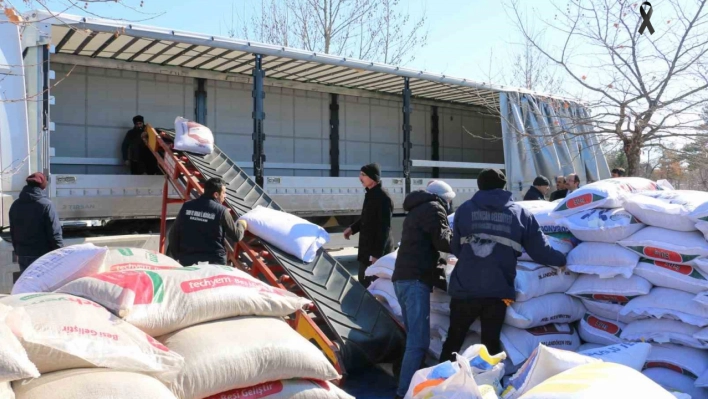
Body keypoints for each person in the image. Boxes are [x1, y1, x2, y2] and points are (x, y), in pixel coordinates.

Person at [440, 168, 567, 360]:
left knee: (454, 339)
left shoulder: (464, 210)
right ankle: (487, 384)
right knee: (490, 343)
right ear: (503, 186)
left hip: (464, 287)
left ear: (479, 186)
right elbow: (540, 251)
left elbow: (456, 248)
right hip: (498, 290)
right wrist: (562, 260)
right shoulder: (521, 214)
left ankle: (441, 383)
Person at [391, 181, 454, 399]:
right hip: (415, 280)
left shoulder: (417, 209)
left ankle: (409, 384)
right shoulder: (434, 209)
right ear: (444, 198)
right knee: (419, 342)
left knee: (413, 338)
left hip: (403, 278)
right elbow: (443, 241)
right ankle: (404, 392)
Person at [168, 177, 247, 266]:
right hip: (214, 263)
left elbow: (173, 234)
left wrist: (178, 256)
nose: (225, 196)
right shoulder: (222, 211)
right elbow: (236, 236)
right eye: (224, 193)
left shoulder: (187, 206)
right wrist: (242, 224)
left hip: (189, 262)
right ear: (216, 195)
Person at [343, 163, 395, 288]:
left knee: (371, 284)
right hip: (367, 249)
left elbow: (384, 228)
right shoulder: (370, 194)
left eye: (363, 175)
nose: (359, 178)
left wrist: (377, 255)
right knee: (363, 280)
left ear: (373, 177)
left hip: (376, 251)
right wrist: (352, 228)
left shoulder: (383, 198)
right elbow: (367, 218)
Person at [9, 172, 63, 279]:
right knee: (43, 287)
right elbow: (54, 232)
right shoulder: (46, 205)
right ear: (42, 187)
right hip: (42, 255)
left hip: (23, 254)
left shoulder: (15, 205)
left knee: (28, 285)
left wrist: (17, 251)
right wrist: (60, 253)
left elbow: (13, 232)